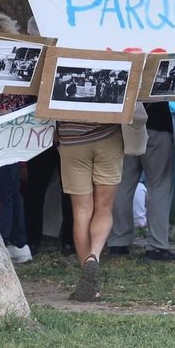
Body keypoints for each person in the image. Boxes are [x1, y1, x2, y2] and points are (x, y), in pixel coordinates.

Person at [57, 114, 124, 301]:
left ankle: (90, 285)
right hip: (108, 136)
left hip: (72, 139)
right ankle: (94, 255)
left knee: (81, 212)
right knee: (104, 207)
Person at [109, 100, 175, 261]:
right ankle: (156, 245)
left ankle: (118, 242)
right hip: (158, 122)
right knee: (159, 186)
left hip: (125, 124)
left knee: (122, 185)